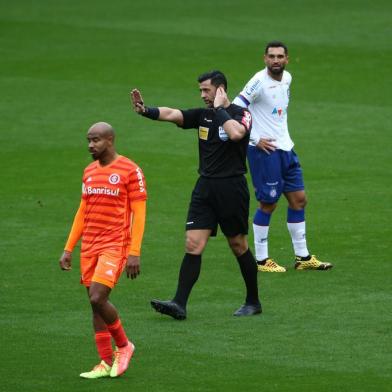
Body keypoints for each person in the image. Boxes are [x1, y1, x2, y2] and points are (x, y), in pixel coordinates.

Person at [130, 70, 261, 319]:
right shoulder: (202, 116)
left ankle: (253, 301)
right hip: (205, 188)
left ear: (221, 90)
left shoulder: (241, 114)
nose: (202, 95)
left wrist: (221, 109)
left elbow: (235, 134)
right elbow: (173, 114)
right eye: (200, 90)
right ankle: (179, 303)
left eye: (206, 90)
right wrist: (146, 110)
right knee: (192, 244)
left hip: (231, 188)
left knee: (238, 245)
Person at [233, 41, 332, 272]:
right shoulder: (258, 81)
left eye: (279, 56)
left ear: (287, 59)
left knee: (299, 200)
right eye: (271, 56)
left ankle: (303, 257)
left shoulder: (287, 78)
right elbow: (236, 108)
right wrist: (254, 139)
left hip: (286, 148)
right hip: (264, 151)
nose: (275, 60)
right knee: (268, 203)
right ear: (264, 58)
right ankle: (261, 260)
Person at [59, 122, 147, 378]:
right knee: (94, 305)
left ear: (110, 140)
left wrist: (134, 251)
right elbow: (82, 211)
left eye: (95, 140)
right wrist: (68, 248)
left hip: (115, 243)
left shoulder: (130, 170)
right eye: (88, 140)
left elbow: (139, 213)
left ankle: (124, 345)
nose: (90, 145)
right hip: (90, 245)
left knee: (98, 297)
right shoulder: (88, 172)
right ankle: (105, 361)